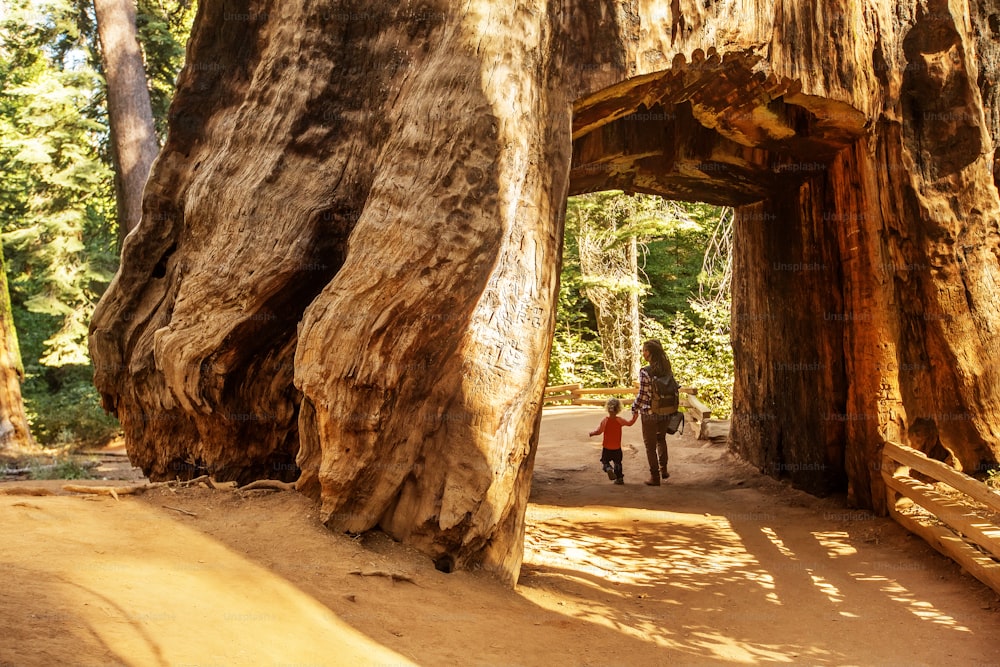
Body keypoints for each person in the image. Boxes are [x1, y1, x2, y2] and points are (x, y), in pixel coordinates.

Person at [632, 339, 676, 486]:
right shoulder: (666, 368)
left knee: (650, 446)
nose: (643, 353)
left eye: (644, 350)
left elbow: (643, 395)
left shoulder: (645, 371)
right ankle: (663, 470)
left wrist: (634, 407)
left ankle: (654, 477)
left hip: (649, 413)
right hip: (666, 410)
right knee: (661, 439)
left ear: (649, 353)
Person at [589, 397, 637, 485]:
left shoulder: (605, 421)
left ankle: (608, 468)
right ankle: (619, 479)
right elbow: (630, 423)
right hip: (617, 448)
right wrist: (635, 415)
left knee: (605, 461)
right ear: (618, 409)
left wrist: (592, 433)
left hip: (607, 447)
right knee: (618, 463)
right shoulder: (619, 420)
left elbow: (599, 431)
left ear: (607, 408)